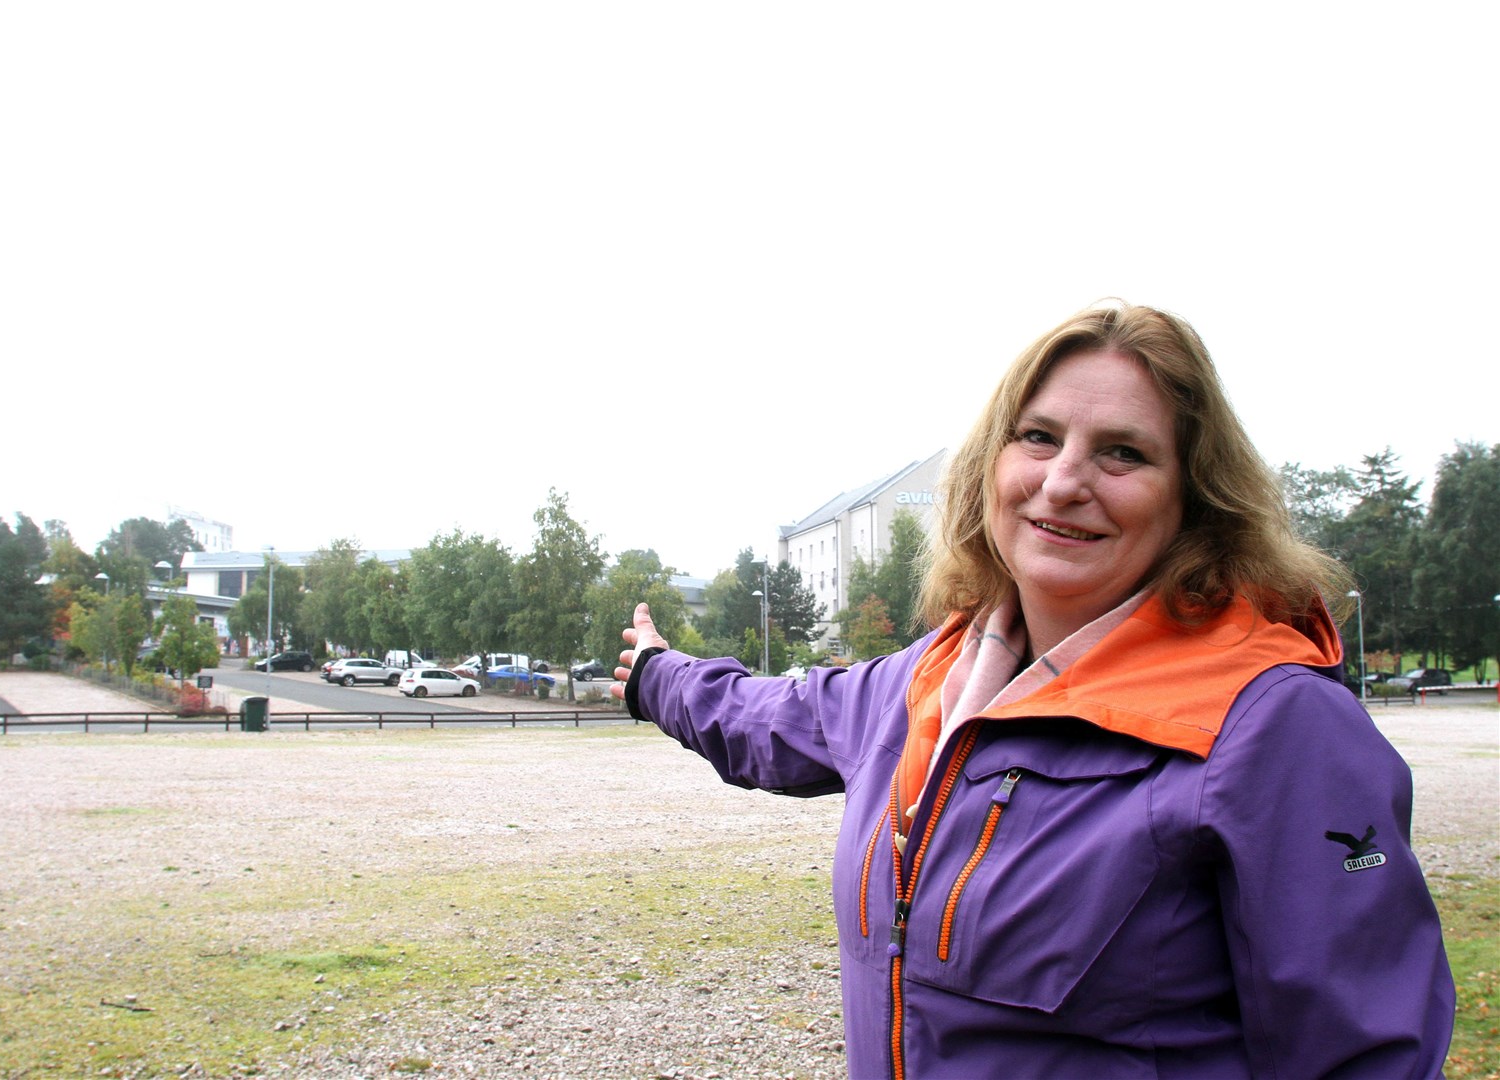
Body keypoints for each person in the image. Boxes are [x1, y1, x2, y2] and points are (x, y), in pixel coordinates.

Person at [612, 302, 1454, 1078]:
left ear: (1193, 497)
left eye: (1124, 452)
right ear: (991, 465)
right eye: (1039, 438)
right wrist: (656, 673)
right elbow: (767, 717)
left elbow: (1363, 1053)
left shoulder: (1273, 724)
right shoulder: (927, 681)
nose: (1064, 482)